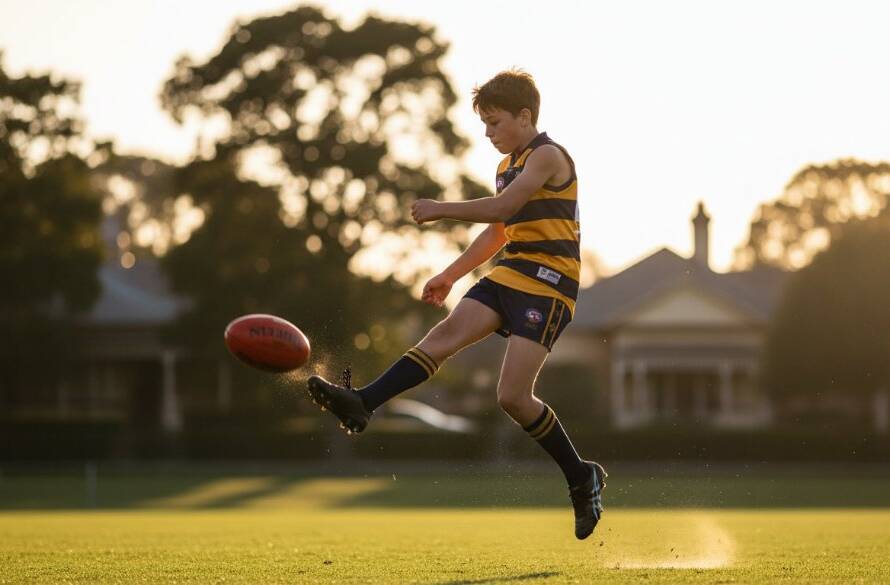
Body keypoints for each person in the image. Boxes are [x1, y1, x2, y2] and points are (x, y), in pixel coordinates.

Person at [307, 70, 606, 540]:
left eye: (495, 122)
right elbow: (498, 232)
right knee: (442, 337)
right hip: (511, 271)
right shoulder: (510, 164)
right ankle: (361, 402)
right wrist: (450, 274)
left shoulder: (547, 155)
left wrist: (441, 208)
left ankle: (580, 476)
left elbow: (504, 208)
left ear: (525, 116)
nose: (488, 133)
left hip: (549, 284)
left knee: (511, 397)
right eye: (484, 124)